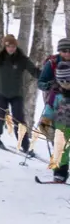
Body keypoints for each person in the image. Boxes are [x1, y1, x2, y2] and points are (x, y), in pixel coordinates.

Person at [39, 37, 70, 183]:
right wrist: (51, 85)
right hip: (56, 101)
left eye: (69, 51)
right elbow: (41, 82)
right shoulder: (52, 63)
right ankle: (60, 171)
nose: (67, 54)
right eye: (64, 51)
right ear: (59, 51)